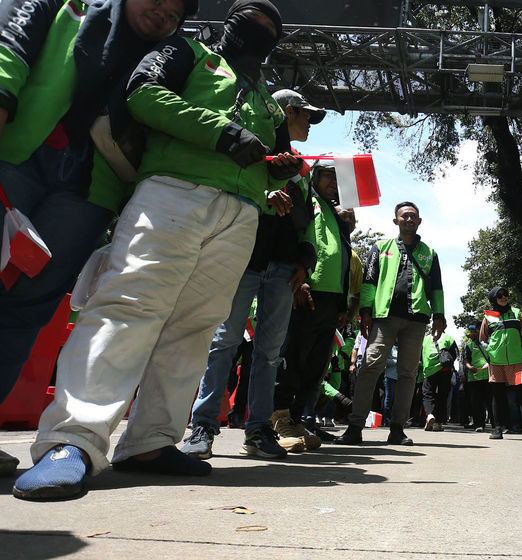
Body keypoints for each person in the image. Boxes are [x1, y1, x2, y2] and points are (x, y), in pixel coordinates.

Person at [14, 0, 297, 500]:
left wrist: (280, 169)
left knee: (195, 327)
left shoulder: (271, 105)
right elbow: (143, 94)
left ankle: (151, 442)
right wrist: (220, 132)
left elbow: (274, 156)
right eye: (250, 21)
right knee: (127, 307)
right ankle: (70, 441)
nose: (259, 33)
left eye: (269, 30)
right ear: (227, 25)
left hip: (241, 215)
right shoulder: (186, 51)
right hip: (172, 191)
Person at [0, 0, 197, 476]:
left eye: (177, 12)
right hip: (16, 155)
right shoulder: (65, 7)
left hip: (89, 189)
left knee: (29, 306)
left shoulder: (173, 58)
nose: (165, 12)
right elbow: (9, 49)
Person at [181, 89, 326, 460]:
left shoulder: (302, 168)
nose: (310, 123)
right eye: (307, 115)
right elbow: (230, 189)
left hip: (284, 269)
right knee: (224, 341)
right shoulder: (250, 147)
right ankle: (202, 426)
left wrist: (305, 260)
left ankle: (259, 430)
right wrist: (266, 193)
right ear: (288, 112)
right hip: (243, 259)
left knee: (270, 353)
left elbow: (309, 220)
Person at [335, 201, 445, 446]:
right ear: (396, 221)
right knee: (370, 367)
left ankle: (397, 429)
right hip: (384, 317)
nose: (409, 219)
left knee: (408, 374)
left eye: (413, 216)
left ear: (419, 221)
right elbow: (369, 281)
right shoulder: (381, 247)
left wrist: (439, 315)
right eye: (404, 216)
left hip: (416, 320)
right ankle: (355, 427)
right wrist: (365, 311)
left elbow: (437, 287)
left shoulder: (429, 253)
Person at [272, 163, 355, 451]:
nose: (334, 182)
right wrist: (302, 278)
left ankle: (296, 421)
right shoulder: (308, 200)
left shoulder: (336, 212)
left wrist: (343, 304)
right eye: (328, 175)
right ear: (315, 176)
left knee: (315, 367)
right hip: (308, 290)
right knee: (293, 359)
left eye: (339, 178)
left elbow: (343, 261)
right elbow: (299, 236)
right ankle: (279, 421)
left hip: (332, 300)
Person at [480, 286, 522, 441]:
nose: (503, 297)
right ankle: (497, 428)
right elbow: (482, 339)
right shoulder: (488, 316)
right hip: (496, 363)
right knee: (497, 396)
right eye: (499, 295)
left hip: (517, 361)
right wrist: (490, 352)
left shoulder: (516, 312)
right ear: (493, 299)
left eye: (505, 294)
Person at [420, 329, 458, 431]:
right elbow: (454, 354)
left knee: (428, 394)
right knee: (442, 396)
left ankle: (430, 415)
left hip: (430, 371)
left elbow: (420, 355)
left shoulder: (425, 339)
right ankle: (438, 423)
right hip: (445, 370)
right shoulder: (448, 338)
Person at [461, 325, 490, 432]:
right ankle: (479, 424)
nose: (472, 333)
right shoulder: (468, 346)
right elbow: (466, 360)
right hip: (474, 378)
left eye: (475, 331)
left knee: (490, 401)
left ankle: (496, 425)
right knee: (476, 403)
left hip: (487, 377)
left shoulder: (487, 345)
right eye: (471, 331)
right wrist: (469, 367)